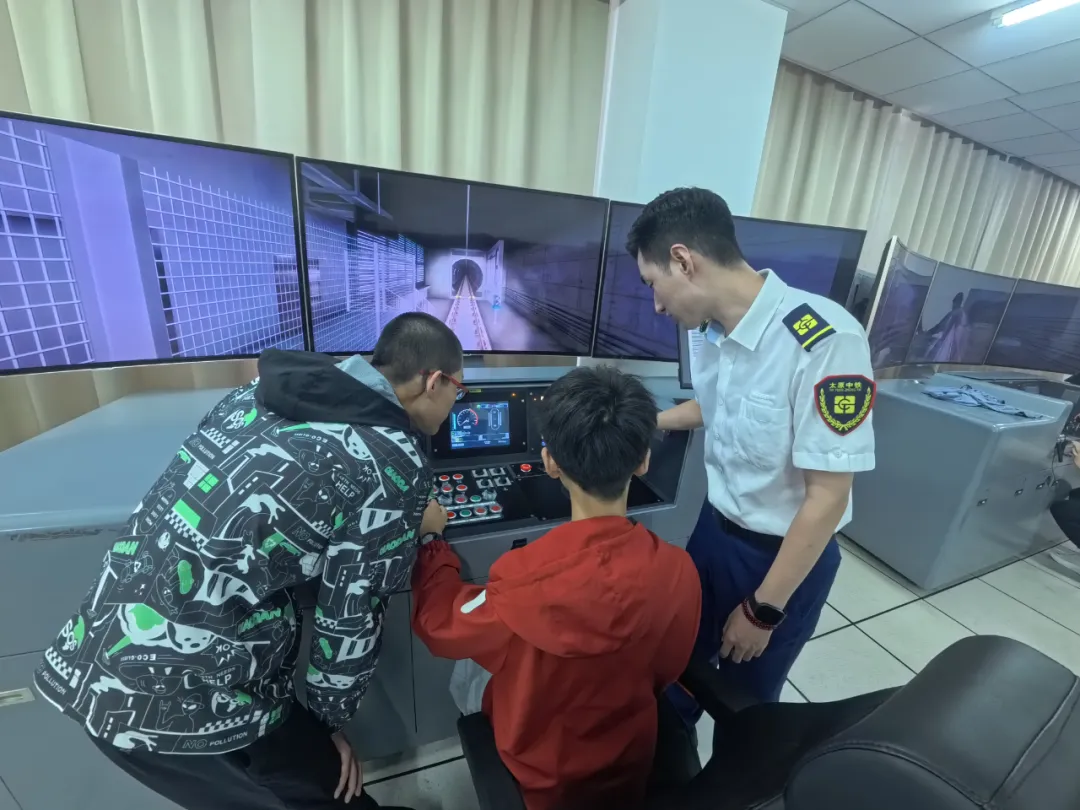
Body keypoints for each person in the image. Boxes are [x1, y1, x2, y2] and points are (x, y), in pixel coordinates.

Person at [33, 312, 465, 810]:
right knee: (326, 792)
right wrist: (325, 728)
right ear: (434, 381)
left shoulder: (255, 393)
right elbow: (350, 620)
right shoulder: (393, 461)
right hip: (187, 699)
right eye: (459, 390)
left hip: (91, 656)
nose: (457, 402)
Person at [626, 188, 876, 721]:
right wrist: (645, 424)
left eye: (653, 284)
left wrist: (765, 609)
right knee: (678, 671)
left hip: (781, 558)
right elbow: (714, 404)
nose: (657, 305)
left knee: (747, 707)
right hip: (711, 534)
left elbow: (829, 496)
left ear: (683, 261)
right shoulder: (710, 332)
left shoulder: (824, 340)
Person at [410, 366, 702, 810]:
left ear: (550, 462)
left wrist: (433, 543)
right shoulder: (679, 569)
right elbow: (665, 669)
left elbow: (439, 626)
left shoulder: (521, 579)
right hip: (631, 761)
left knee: (474, 665)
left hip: (542, 777)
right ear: (643, 460)